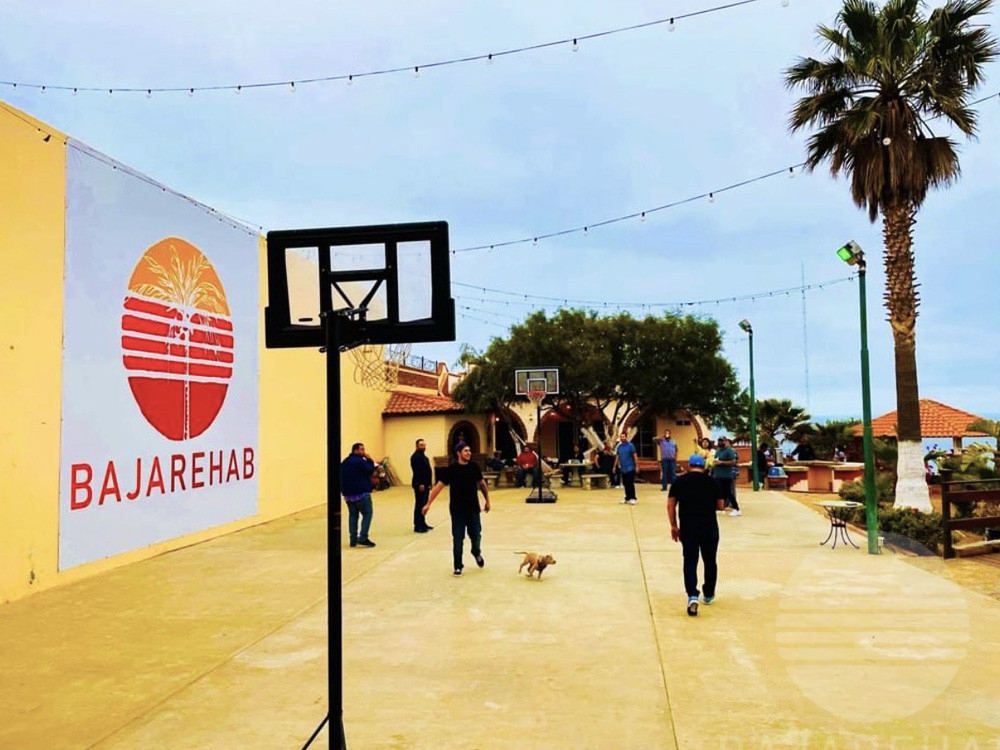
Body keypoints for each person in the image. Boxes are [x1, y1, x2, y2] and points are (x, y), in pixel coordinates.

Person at [667, 453, 725, 616]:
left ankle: (692, 594)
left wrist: (674, 525)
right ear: (704, 466)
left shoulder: (680, 482)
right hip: (709, 527)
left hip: (688, 527)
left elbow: (670, 505)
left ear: (689, 466)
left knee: (690, 561)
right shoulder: (713, 482)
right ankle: (708, 593)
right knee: (710, 560)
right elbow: (720, 506)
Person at [423, 442, 491, 577]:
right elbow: (438, 487)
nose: (469, 453)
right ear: (459, 453)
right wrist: (428, 503)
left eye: (469, 450)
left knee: (476, 535)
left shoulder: (474, 467)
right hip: (457, 510)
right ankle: (458, 565)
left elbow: (482, 484)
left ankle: (476, 552)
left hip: (473, 509)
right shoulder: (452, 470)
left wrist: (487, 500)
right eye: (466, 451)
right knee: (458, 538)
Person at [341, 442, 378, 548]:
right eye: (362, 449)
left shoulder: (345, 462)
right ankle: (363, 537)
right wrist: (370, 460)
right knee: (367, 514)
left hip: (348, 494)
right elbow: (370, 470)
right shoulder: (360, 461)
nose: (364, 451)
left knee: (353, 516)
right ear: (356, 450)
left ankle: (353, 539)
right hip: (361, 492)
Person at [409, 438, 434, 534]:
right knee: (419, 504)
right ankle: (418, 525)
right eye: (421, 445)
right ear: (417, 446)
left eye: (424, 445)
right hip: (420, 484)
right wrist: (420, 483)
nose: (423, 447)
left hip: (426, 484)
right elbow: (418, 471)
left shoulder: (423, 456)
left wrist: (429, 483)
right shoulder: (416, 457)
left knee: (424, 504)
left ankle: (423, 523)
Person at [712, 436, 741, 516]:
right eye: (719, 441)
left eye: (722, 441)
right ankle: (720, 507)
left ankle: (736, 508)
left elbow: (733, 461)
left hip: (726, 475)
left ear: (725, 441)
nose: (720, 443)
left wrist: (722, 462)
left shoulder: (729, 451)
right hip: (717, 475)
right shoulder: (718, 451)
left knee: (728, 492)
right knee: (719, 493)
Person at [614, 431, 638, 504]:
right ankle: (627, 497)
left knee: (630, 483)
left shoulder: (631, 445)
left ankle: (633, 497)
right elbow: (617, 457)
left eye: (623, 436)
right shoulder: (619, 447)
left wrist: (637, 466)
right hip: (623, 468)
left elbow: (635, 456)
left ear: (626, 437)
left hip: (630, 467)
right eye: (621, 436)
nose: (622, 438)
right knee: (625, 483)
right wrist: (614, 466)